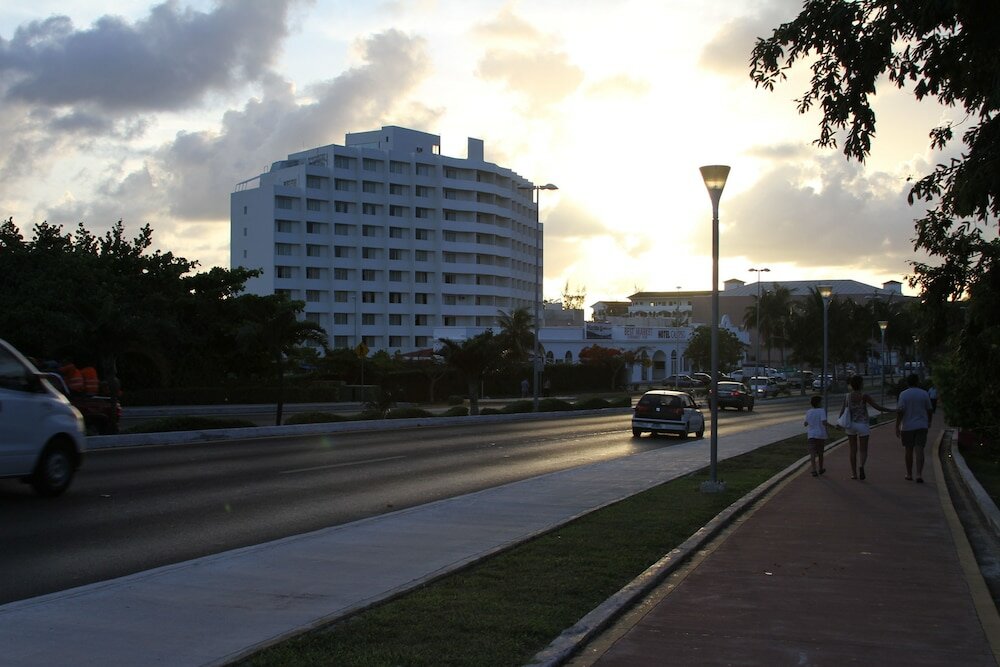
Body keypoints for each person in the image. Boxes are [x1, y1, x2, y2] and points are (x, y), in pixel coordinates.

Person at [837, 375, 891, 480]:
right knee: (863, 449)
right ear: (861, 384)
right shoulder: (864, 396)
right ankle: (861, 466)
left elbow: (842, 410)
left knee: (853, 450)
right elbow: (877, 407)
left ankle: (854, 474)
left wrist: (839, 423)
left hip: (851, 425)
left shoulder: (847, 396)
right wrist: (892, 410)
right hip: (862, 424)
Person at [896, 374, 934, 483]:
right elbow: (929, 409)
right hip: (921, 425)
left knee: (908, 450)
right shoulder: (924, 393)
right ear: (917, 382)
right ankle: (919, 474)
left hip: (907, 426)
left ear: (907, 382)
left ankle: (909, 474)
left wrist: (897, 426)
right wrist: (929, 421)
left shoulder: (903, 394)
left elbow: (900, 411)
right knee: (920, 449)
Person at [803, 394, 830, 477]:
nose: (822, 403)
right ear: (818, 403)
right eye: (821, 402)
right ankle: (820, 468)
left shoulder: (808, 412)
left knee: (812, 454)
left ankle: (813, 470)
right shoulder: (821, 411)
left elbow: (805, 424)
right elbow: (824, 422)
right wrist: (833, 427)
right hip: (820, 435)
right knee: (820, 453)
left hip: (811, 435)